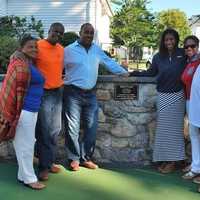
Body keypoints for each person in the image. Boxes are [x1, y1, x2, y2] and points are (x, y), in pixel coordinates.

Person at [63, 23, 129, 171]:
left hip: (90, 93)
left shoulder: (96, 50)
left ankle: (86, 158)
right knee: (72, 127)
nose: (88, 35)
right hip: (72, 93)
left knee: (91, 127)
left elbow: (109, 62)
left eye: (91, 33)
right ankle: (73, 158)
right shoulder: (68, 50)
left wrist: (124, 72)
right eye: (86, 32)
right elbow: (56, 65)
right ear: (80, 33)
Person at [131, 28, 186, 173]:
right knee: (163, 131)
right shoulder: (157, 57)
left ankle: (173, 161)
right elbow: (150, 73)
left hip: (178, 96)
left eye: (172, 39)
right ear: (163, 41)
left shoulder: (182, 54)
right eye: (167, 39)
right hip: (163, 96)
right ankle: (165, 159)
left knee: (174, 131)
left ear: (176, 40)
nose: (169, 42)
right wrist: (132, 73)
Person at [0, 35, 45, 190]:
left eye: (35, 47)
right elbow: (10, 89)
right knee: (25, 145)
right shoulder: (19, 64)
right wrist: (11, 115)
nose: (34, 49)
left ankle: (22, 175)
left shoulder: (28, 63)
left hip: (31, 110)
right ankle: (30, 179)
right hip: (23, 111)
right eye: (30, 46)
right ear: (21, 48)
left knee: (27, 143)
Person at [35, 22, 65, 181]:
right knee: (44, 131)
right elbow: (24, 58)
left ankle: (48, 161)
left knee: (55, 130)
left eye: (61, 33)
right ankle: (43, 167)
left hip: (58, 92)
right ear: (49, 31)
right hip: (44, 93)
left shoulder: (61, 49)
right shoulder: (38, 45)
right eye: (56, 32)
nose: (58, 35)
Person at [181, 36, 200, 181]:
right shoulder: (188, 63)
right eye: (186, 46)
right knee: (194, 135)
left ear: (197, 46)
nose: (189, 49)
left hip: (198, 102)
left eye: (192, 46)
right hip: (189, 101)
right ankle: (196, 166)